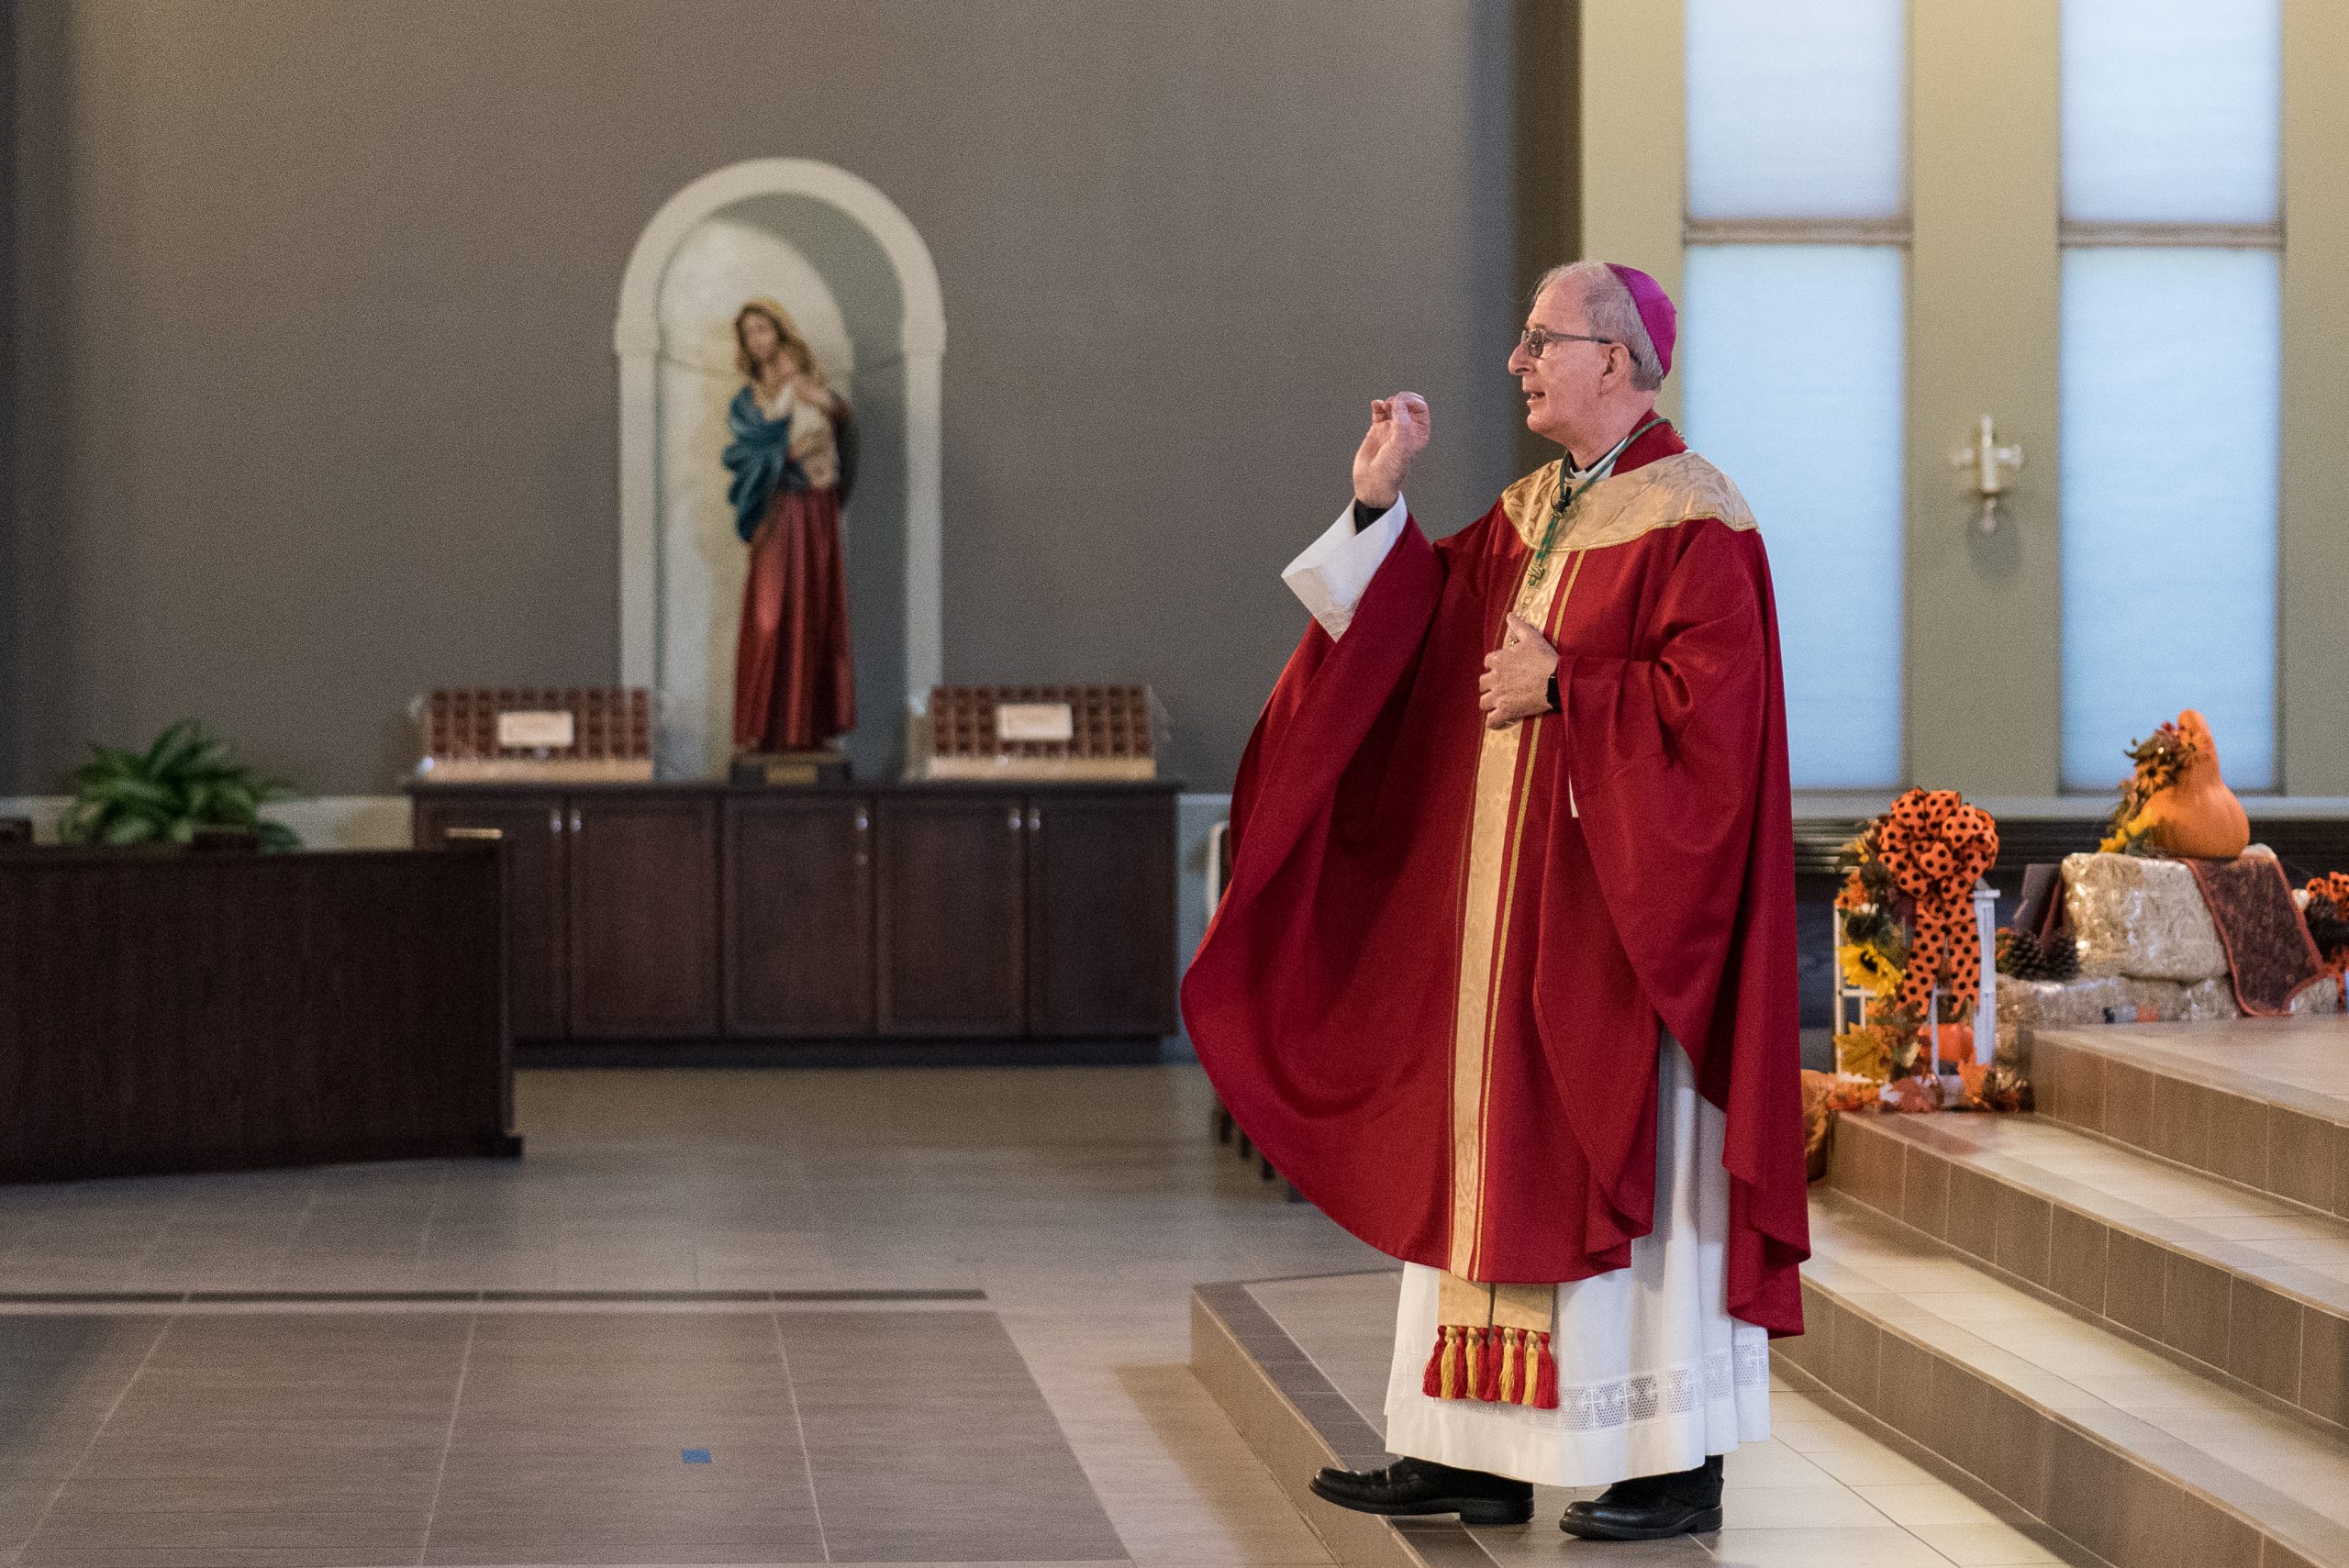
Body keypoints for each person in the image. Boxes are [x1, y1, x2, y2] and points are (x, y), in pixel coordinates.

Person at [1182, 261, 1808, 1541]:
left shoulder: (1699, 522)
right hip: (1497, 932)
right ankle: (1467, 1453)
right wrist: (1375, 503)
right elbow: (1411, 632)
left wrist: (1573, 688)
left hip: (1618, 939)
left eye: (1540, 340)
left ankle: (1668, 1460)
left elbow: (1720, 728)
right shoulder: (1529, 513)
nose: (1517, 361)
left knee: (1625, 1170)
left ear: (1616, 361)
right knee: (1476, 1153)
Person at [725, 298, 858, 755]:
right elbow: (743, 455)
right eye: (750, 333)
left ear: (780, 332)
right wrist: (786, 454)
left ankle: (809, 729)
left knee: (813, 610)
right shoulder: (747, 402)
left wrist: (831, 406)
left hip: (813, 509)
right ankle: (762, 729)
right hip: (775, 510)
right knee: (768, 618)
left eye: (764, 329)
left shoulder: (809, 385)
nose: (758, 339)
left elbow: (842, 429)